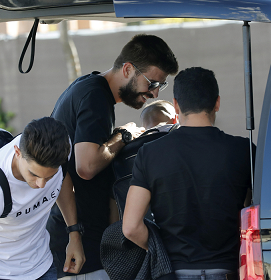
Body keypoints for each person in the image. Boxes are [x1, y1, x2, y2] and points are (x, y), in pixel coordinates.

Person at [48, 34, 179, 279]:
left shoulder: (88, 87)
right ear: (128, 69)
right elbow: (85, 166)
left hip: (77, 241)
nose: (153, 93)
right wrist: (124, 135)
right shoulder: (95, 96)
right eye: (151, 83)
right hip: (80, 250)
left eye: (160, 86)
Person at [122, 67, 254, 280]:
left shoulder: (150, 153)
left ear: (176, 105)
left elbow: (130, 228)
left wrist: (160, 249)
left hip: (172, 271)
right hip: (228, 269)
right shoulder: (243, 151)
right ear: (217, 103)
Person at [0, 117, 85, 280]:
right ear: (17, 152)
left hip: (41, 266)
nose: (41, 185)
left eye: (49, 177)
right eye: (34, 174)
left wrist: (74, 234)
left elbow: (63, 178)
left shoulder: (61, 147)